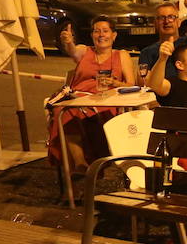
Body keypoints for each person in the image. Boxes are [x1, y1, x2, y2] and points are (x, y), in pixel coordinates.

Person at [47, 15, 138, 172]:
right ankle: (80, 163)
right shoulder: (85, 51)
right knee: (66, 112)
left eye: (105, 31)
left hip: (107, 102)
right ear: (92, 35)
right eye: (97, 31)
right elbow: (73, 51)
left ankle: (80, 171)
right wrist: (68, 42)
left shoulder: (121, 55)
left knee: (70, 116)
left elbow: (131, 85)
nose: (101, 35)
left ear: (114, 35)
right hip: (79, 100)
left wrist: (116, 83)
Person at [137, 0, 187, 82]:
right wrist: (162, 59)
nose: (167, 21)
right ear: (155, 24)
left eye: (171, 17)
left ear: (178, 22)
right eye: (162, 18)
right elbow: (142, 82)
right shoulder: (147, 52)